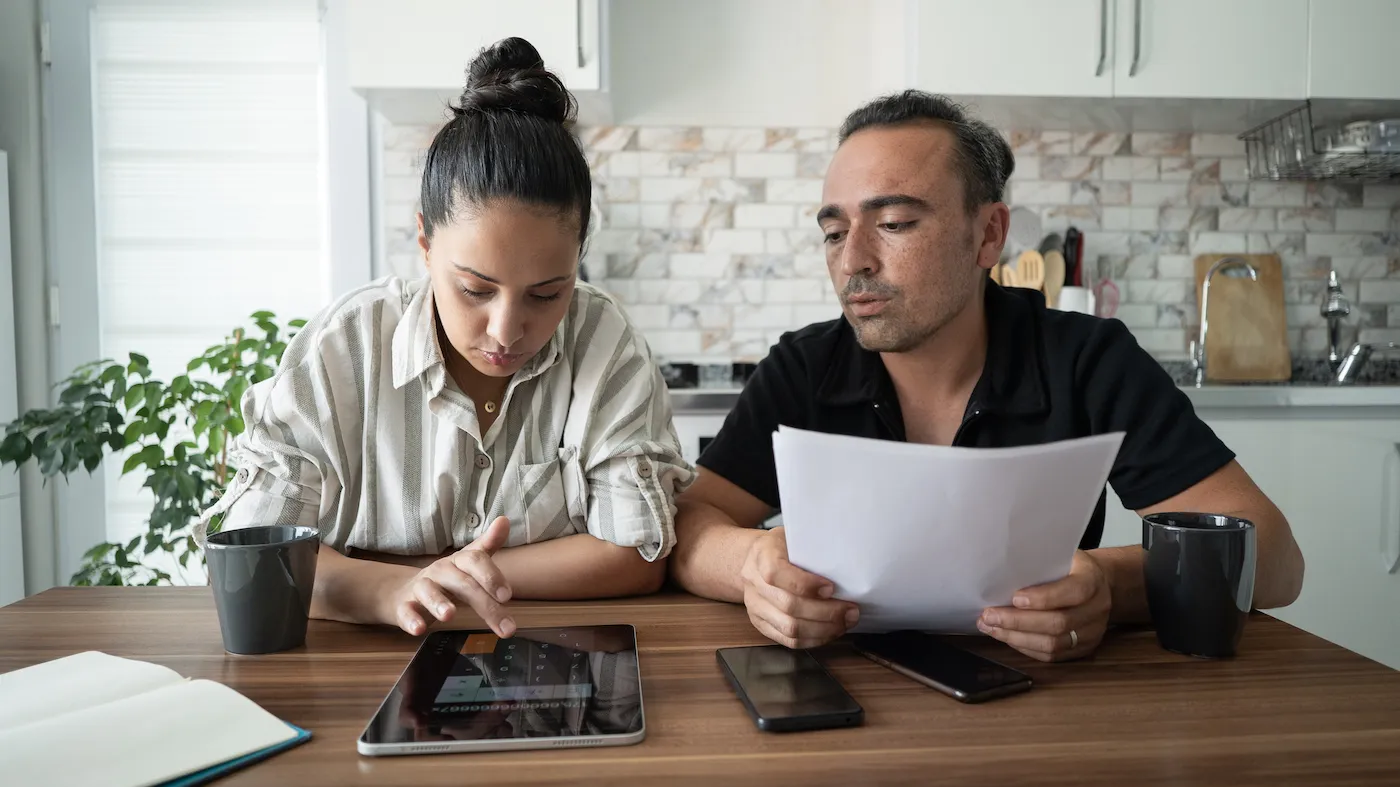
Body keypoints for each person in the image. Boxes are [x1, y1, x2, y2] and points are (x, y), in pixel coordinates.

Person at [669, 91, 1304, 662]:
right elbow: (688, 528)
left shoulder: (1085, 361)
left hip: (1046, 708)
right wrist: (751, 563)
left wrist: (1113, 584)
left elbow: (1274, 561)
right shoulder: (804, 367)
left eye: (893, 225)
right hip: (836, 701)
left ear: (988, 233)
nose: (853, 261)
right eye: (835, 233)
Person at [197, 38, 692, 638]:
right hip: (358, 676)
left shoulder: (603, 341)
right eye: (475, 290)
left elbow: (636, 555)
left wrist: (440, 574)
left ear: (578, 260)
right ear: (426, 244)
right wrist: (388, 590)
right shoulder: (345, 347)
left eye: (546, 294)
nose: (507, 331)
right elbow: (252, 556)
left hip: (549, 663)